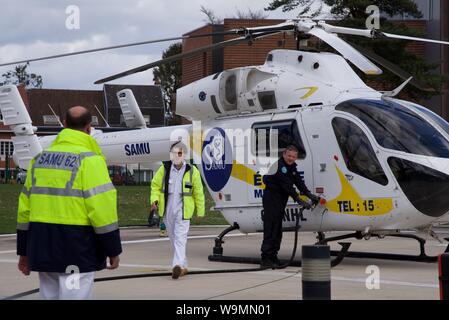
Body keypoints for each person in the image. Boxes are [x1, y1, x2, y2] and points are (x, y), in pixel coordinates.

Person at [16, 106, 122, 300]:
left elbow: (24, 210)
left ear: (64, 124)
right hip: (76, 249)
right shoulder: (91, 161)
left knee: (49, 296)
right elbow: (102, 210)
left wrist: (24, 251)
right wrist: (112, 249)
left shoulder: (39, 160)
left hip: (43, 243)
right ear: (89, 128)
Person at [150, 141, 205, 279]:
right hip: (167, 209)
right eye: (175, 153)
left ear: (184, 155)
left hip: (183, 211)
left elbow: (198, 193)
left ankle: (177, 265)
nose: (177, 156)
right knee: (174, 238)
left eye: (180, 153)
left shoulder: (193, 172)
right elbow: (155, 186)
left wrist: (200, 211)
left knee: (180, 238)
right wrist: (154, 200)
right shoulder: (164, 169)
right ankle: (183, 265)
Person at [261, 144, 320, 268]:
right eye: (289, 156)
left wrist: (309, 194)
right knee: (271, 228)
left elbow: (298, 181)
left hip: (280, 201)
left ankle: (273, 257)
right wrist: (298, 199)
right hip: (272, 200)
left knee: (277, 229)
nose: (291, 158)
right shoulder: (280, 167)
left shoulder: (291, 167)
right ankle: (266, 258)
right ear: (284, 154)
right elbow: (287, 186)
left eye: (293, 157)